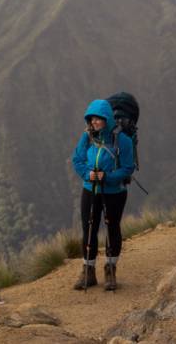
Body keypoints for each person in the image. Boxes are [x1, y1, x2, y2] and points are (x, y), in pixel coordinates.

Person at [72, 99, 135, 290]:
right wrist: (87, 174)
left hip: (114, 192)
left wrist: (107, 176)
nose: (94, 122)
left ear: (107, 118)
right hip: (90, 190)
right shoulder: (88, 136)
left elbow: (128, 168)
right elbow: (77, 159)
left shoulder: (122, 140)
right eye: (91, 119)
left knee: (111, 228)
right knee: (89, 229)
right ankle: (88, 271)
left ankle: (110, 270)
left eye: (98, 119)